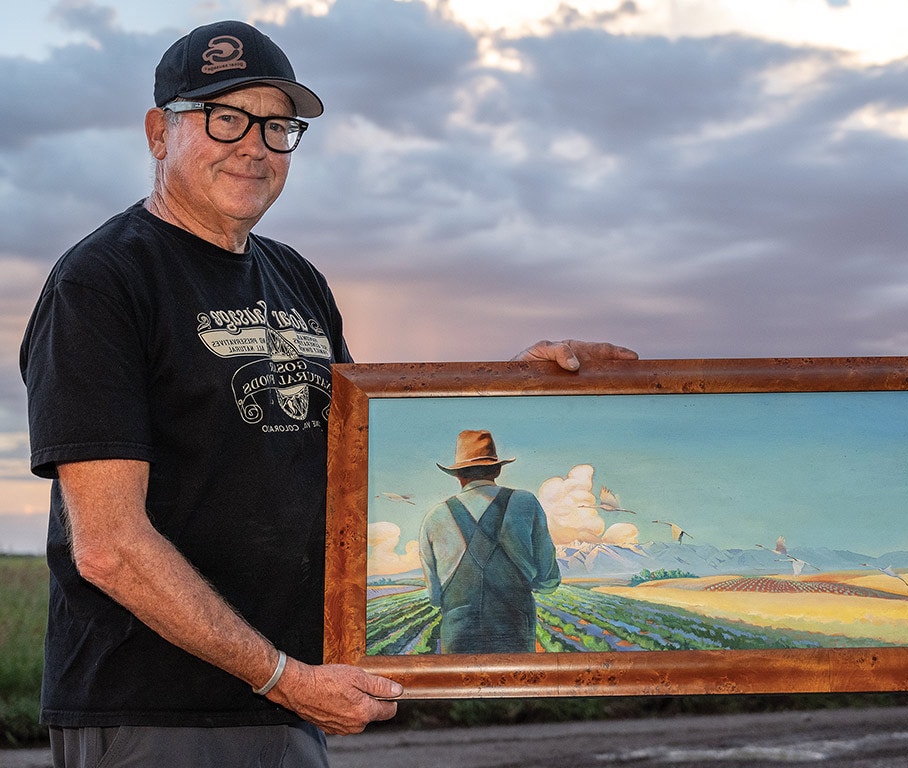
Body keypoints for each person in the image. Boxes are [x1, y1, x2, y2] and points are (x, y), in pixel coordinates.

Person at [19, 19, 637, 768]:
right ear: (159, 132)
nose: (254, 144)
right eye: (225, 117)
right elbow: (110, 545)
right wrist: (280, 676)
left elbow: (360, 457)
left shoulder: (298, 279)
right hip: (154, 710)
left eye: (278, 127)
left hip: (289, 704)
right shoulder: (103, 282)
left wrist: (513, 385)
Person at [419, 430, 560, 654]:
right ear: (497, 469)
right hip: (514, 630)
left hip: (458, 635)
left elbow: (435, 597)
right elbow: (549, 580)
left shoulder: (435, 516)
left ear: (458, 475)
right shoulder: (526, 502)